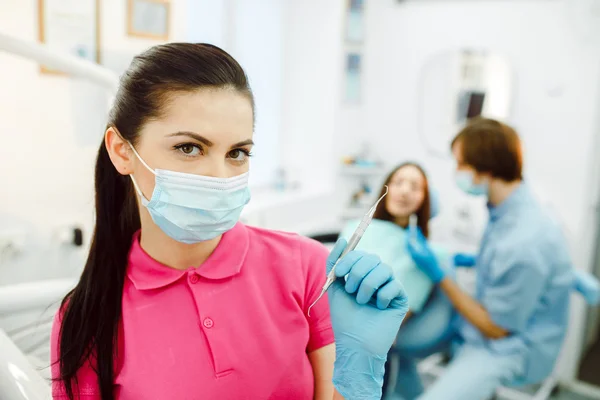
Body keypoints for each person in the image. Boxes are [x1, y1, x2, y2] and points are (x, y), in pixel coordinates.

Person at [50, 43, 408, 400]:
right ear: (121, 150)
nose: (219, 176)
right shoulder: (87, 318)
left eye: (237, 153)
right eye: (189, 148)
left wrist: (357, 372)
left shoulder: (307, 267)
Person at [398, 118, 573, 400]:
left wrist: (440, 276)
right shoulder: (506, 208)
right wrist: (470, 260)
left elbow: (496, 328)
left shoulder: (525, 239)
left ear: (486, 169)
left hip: (508, 346)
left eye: (461, 165)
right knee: (395, 345)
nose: (457, 173)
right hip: (483, 320)